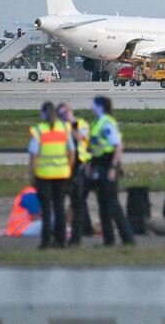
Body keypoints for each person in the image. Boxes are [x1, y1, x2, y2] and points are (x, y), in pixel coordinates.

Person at [88, 96, 134, 246]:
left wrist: (113, 168)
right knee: (102, 204)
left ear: (100, 106)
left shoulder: (106, 123)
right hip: (98, 165)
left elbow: (118, 146)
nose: (91, 106)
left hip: (108, 165)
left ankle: (128, 238)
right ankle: (108, 240)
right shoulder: (97, 122)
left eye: (94, 104)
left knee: (112, 204)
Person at [29, 102, 75, 249]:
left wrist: (33, 173)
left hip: (44, 175)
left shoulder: (39, 130)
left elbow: (34, 155)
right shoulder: (64, 128)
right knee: (59, 207)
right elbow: (72, 151)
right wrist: (68, 167)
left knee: (46, 209)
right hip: (61, 174)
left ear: (43, 113)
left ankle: (46, 241)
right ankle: (61, 241)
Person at [56, 103, 92, 246]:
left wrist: (70, 125)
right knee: (71, 201)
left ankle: (82, 231)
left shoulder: (81, 124)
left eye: (66, 113)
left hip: (80, 166)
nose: (64, 116)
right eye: (61, 114)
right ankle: (82, 228)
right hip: (64, 167)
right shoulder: (58, 126)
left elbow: (81, 138)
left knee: (79, 200)